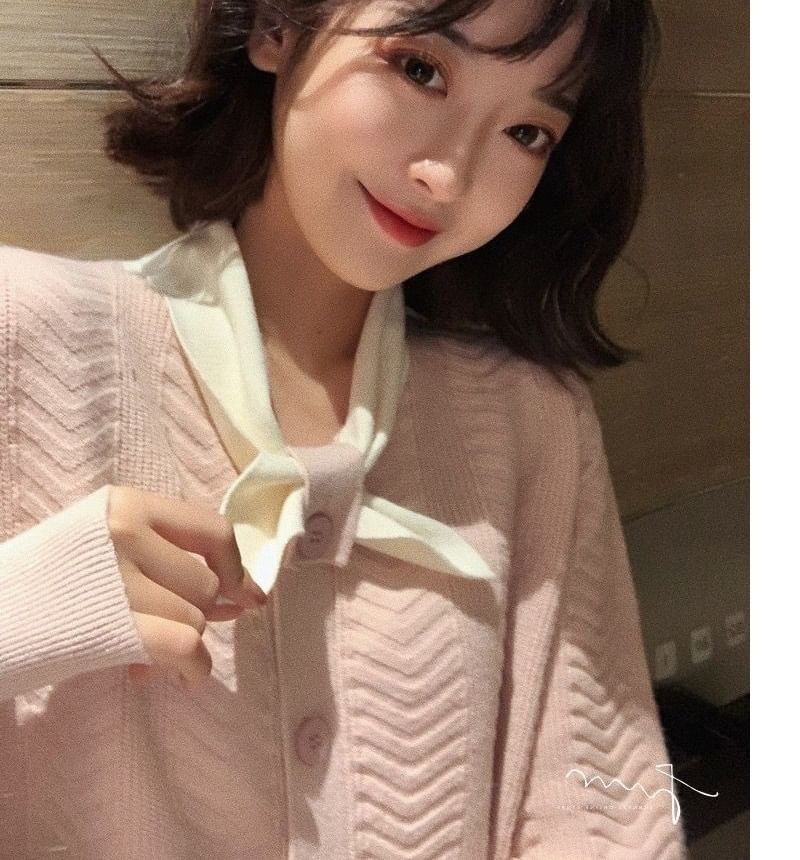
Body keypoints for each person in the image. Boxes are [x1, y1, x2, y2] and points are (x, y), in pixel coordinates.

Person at [0, 0, 687, 856]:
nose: (448, 176)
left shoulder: (530, 418)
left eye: (527, 132)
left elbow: (603, 806)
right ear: (277, 27)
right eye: (421, 69)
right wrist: (28, 606)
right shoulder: (25, 342)